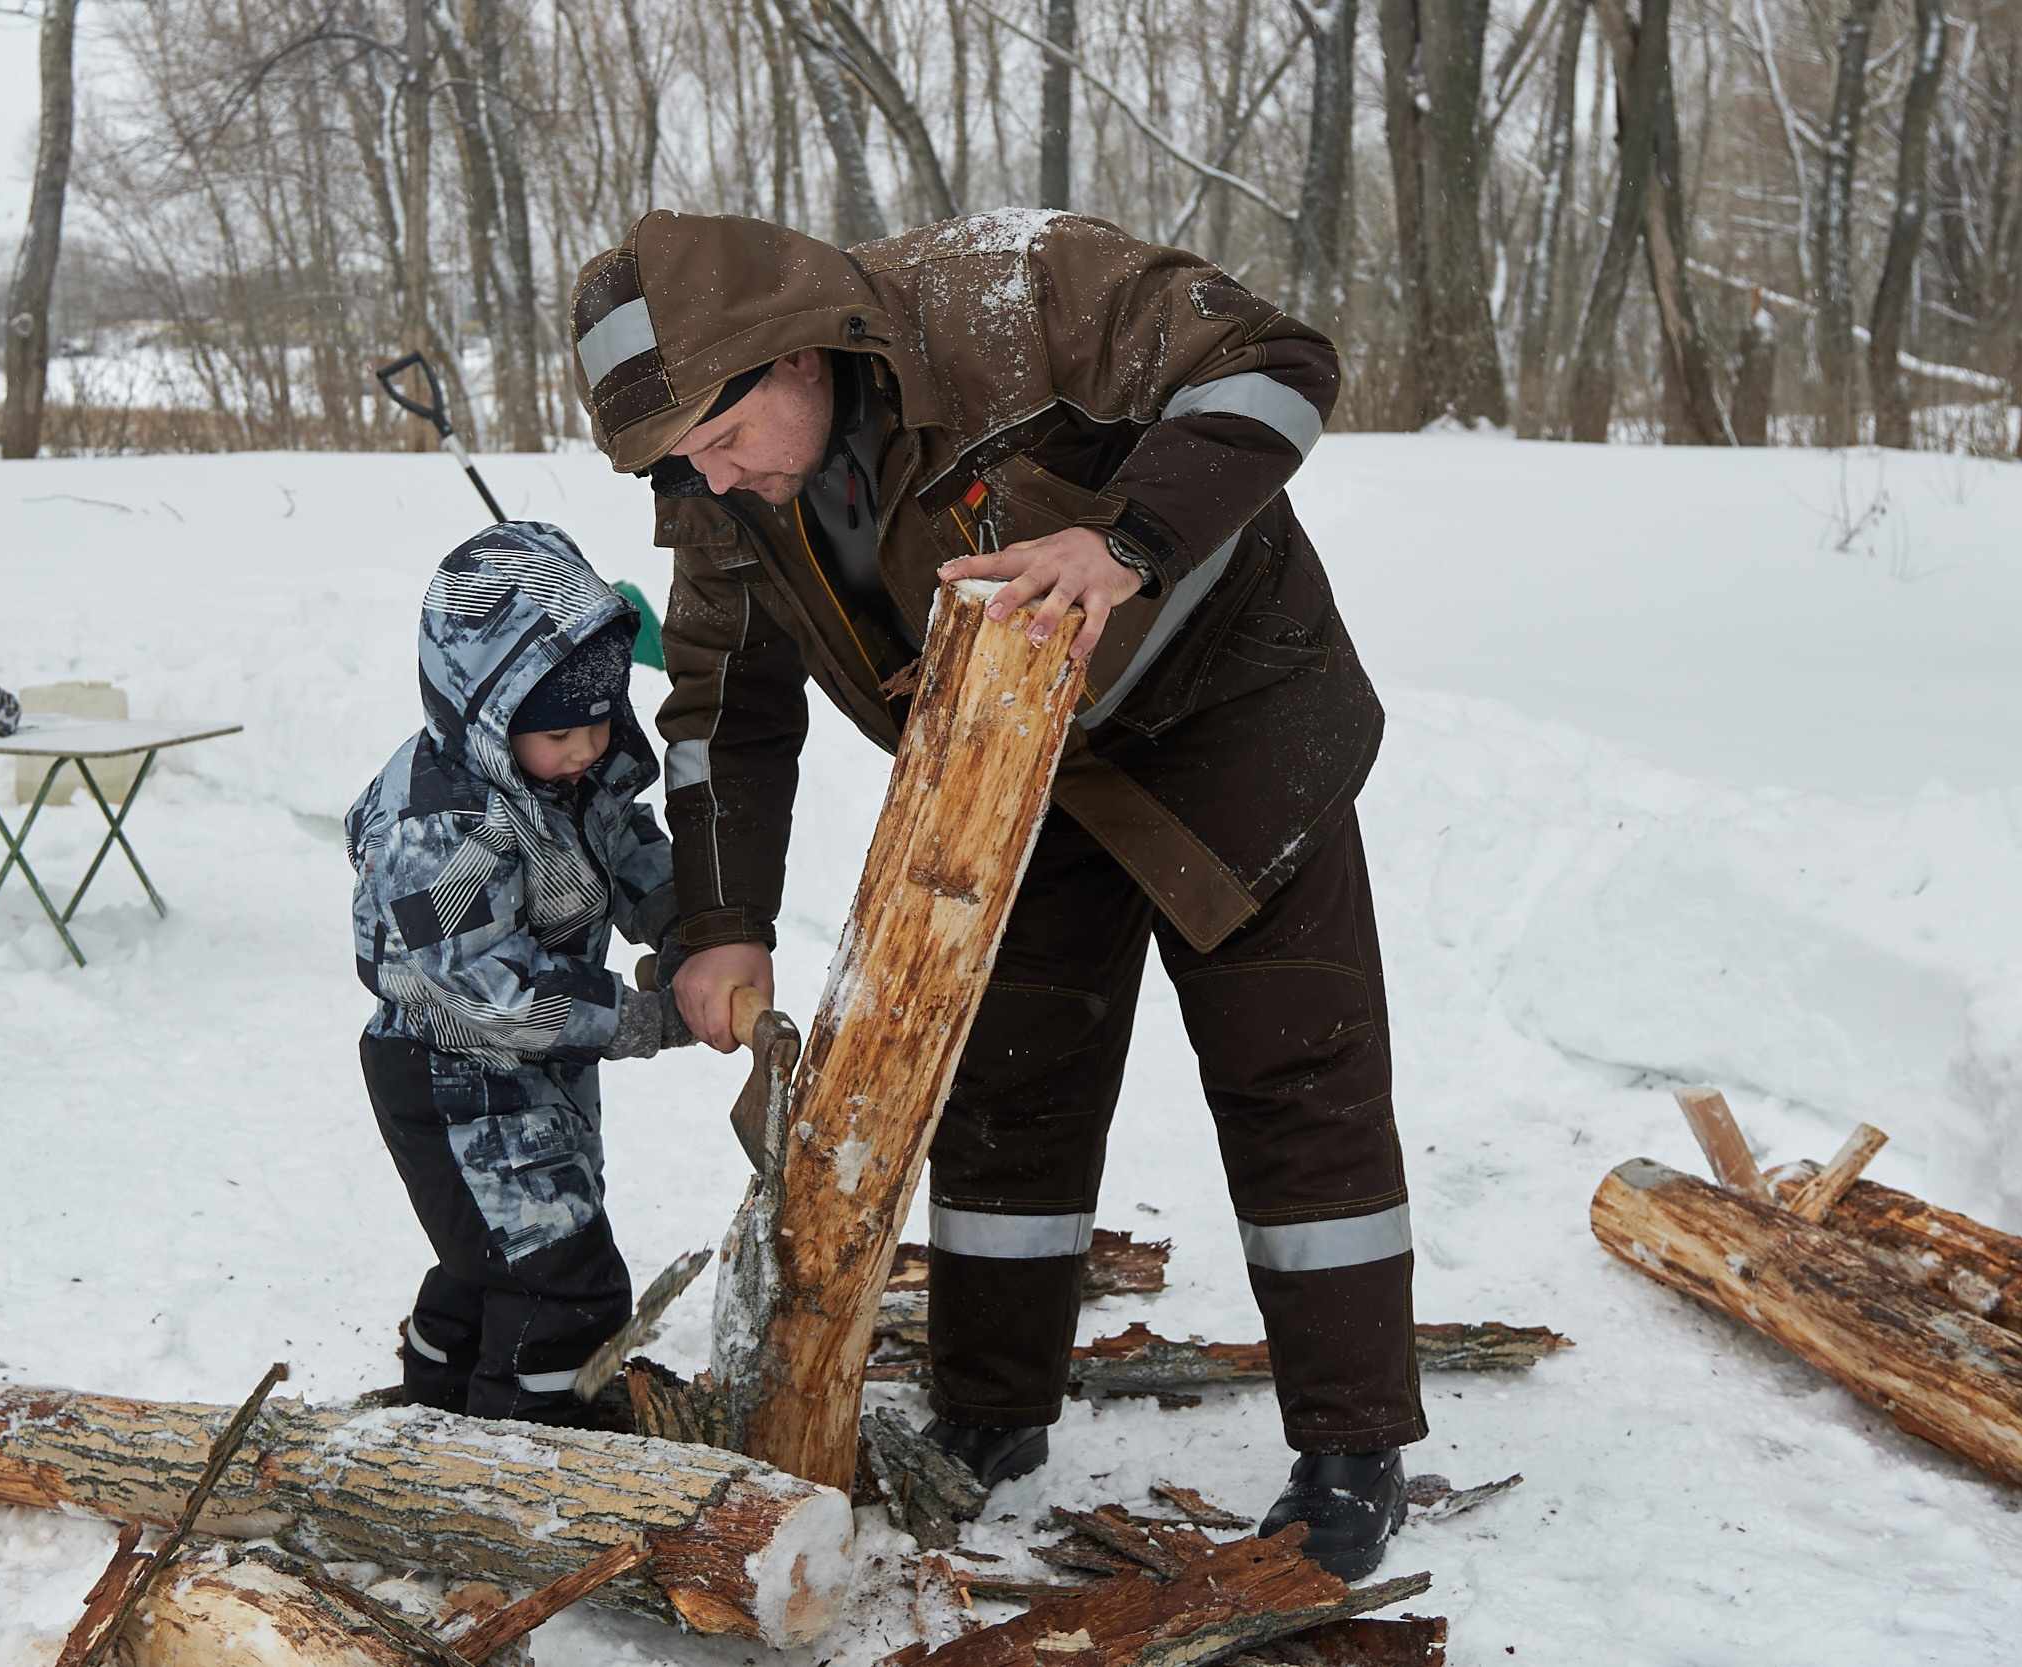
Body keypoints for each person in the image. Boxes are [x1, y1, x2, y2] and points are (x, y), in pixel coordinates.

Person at [567, 210, 1423, 1575]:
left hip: (1240, 727)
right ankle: (989, 1410)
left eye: (720, 442)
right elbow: (724, 697)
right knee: (1007, 1093)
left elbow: (1271, 359)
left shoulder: (1009, 296)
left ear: (790, 353)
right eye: (681, 464)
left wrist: (1131, 539)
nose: (713, 482)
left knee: (1294, 1080)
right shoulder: (722, 481)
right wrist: (720, 921)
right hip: (1017, 771)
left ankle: (1352, 1445)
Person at [346, 521, 694, 1424]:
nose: (585, 748)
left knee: (498, 1253)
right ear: (489, 717)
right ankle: (540, 1447)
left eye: (598, 719)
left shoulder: (571, 775)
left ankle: (441, 1403)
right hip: (449, 1072)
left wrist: (684, 922)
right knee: (559, 1272)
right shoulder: (448, 830)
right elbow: (480, 987)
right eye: (559, 732)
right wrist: (643, 1017)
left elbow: (622, 845)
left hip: (532, 1066)